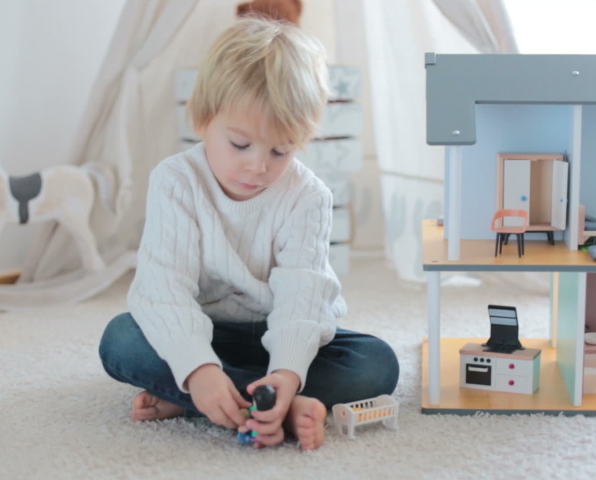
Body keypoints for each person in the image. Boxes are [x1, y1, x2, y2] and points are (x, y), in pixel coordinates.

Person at [98, 16, 399, 451]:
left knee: (376, 365)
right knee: (121, 340)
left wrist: (287, 375)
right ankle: (236, 397)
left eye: (280, 151)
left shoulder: (308, 196)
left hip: (279, 336)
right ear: (203, 119)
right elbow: (163, 291)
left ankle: (223, 399)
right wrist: (199, 369)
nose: (258, 167)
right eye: (241, 145)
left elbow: (303, 300)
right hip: (205, 332)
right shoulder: (176, 181)